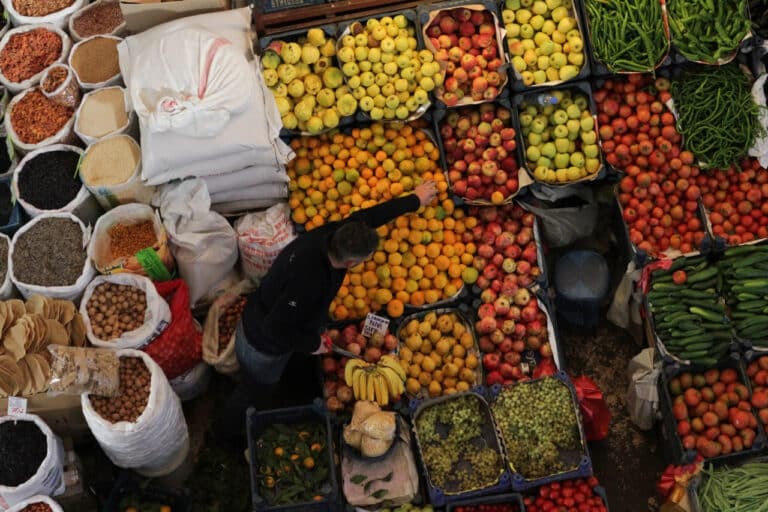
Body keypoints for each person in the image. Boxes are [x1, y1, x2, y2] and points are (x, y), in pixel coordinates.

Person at [216, 180, 438, 442]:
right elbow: (274, 329)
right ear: (352, 262)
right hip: (262, 344)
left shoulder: (334, 233)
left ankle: (288, 383)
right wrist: (312, 344)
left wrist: (414, 200)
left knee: (283, 370)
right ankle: (225, 433)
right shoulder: (309, 282)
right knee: (256, 389)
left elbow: (372, 216)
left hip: (282, 321)